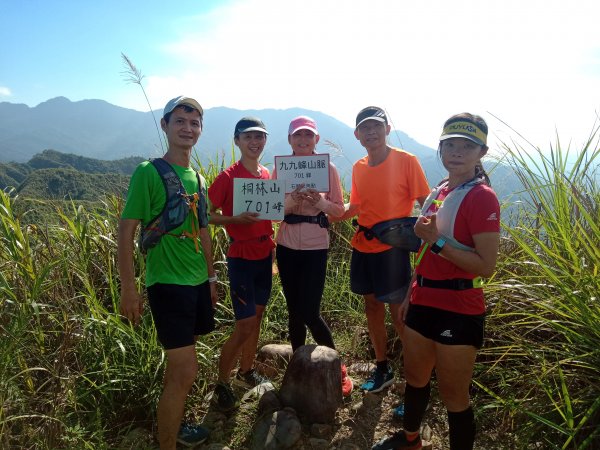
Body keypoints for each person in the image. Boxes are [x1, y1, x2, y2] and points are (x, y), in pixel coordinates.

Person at [372, 113, 501, 450]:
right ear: (441, 149)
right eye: (450, 145)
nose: (457, 152)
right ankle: (411, 439)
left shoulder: (482, 197)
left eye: (466, 146)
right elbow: (427, 252)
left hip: (458, 308)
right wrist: (410, 292)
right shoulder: (441, 190)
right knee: (415, 380)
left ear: (481, 152)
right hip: (422, 300)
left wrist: (438, 242)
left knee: (454, 396)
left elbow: (486, 266)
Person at [118, 96, 217, 450]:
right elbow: (126, 231)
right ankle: (167, 444)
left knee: (183, 368)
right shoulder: (149, 172)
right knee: (184, 370)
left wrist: (211, 278)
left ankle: (176, 427)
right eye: (180, 121)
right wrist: (129, 289)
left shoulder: (198, 177)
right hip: (167, 284)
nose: (187, 129)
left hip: (194, 282)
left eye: (194, 123)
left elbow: (203, 229)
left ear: (200, 129)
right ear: (165, 126)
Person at [337, 106, 430, 393]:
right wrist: (325, 208)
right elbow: (354, 208)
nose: (371, 132)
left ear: (388, 129)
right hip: (363, 247)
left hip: (392, 251)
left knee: (399, 315)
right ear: (357, 135)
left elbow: (426, 203)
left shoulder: (407, 161)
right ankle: (383, 367)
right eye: (365, 128)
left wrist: (431, 242)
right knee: (371, 308)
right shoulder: (359, 167)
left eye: (377, 126)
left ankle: (418, 380)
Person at [273, 115, 353, 396]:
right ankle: (298, 366)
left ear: (316, 139)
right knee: (294, 312)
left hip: (315, 245)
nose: (303, 140)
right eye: (298, 136)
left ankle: (337, 368)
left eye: (308, 136)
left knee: (309, 310)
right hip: (286, 244)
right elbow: (272, 210)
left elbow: (339, 210)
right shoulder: (280, 168)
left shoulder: (326, 167)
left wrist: (318, 201)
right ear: (290, 139)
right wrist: (291, 201)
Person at [208, 116, 274, 411]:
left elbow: (275, 210)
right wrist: (234, 219)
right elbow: (204, 215)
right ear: (237, 141)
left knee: (256, 318)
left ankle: (246, 372)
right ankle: (221, 383)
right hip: (241, 258)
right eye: (248, 137)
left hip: (265, 254)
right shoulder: (227, 177)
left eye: (259, 137)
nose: (254, 142)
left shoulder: (267, 174)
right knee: (244, 324)